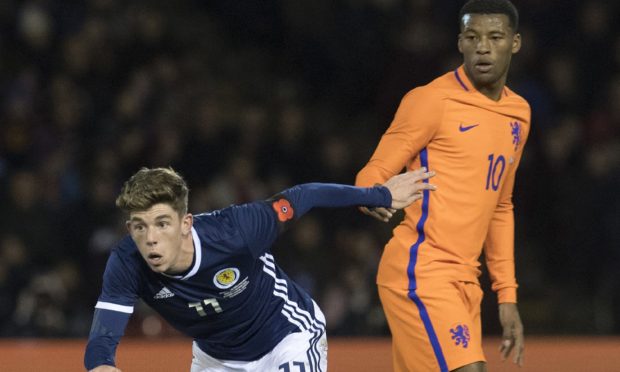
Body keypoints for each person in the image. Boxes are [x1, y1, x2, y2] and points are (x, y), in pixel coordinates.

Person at [84, 166, 436, 372]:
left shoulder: (235, 231)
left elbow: (305, 195)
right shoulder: (125, 262)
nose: (151, 239)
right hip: (216, 358)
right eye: (140, 227)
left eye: (162, 223)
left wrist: (380, 195)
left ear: (186, 223)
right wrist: (103, 366)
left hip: (286, 337)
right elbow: (102, 340)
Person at [355, 0, 528, 371]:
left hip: (466, 280)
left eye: (495, 37)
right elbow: (373, 171)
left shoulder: (519, 114)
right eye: (473, 37)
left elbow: (501, 206)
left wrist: (507, 296)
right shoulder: (431, 101)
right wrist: (375, 194)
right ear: (460, 43)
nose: (483, 46)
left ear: (515, 43)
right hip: (420, 270)